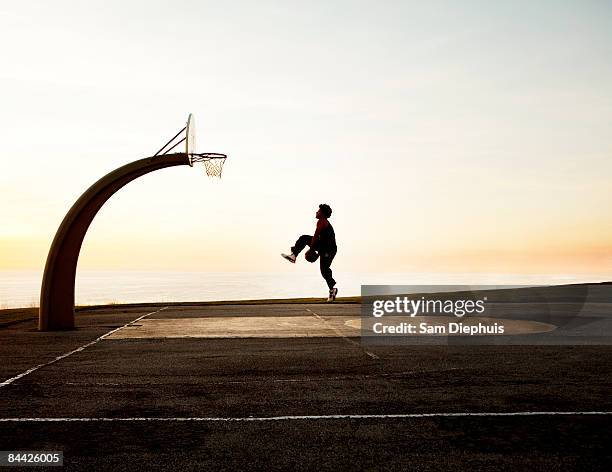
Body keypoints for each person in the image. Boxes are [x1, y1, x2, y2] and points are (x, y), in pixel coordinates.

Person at [282, 204, 338, 302]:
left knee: (324, 270)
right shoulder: (322, 222)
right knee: (304, 238)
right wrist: (316, 251)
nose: (316, 212)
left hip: (329, 249)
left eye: (318, 211)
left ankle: (332, 289)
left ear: (323, 214)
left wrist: (312, 250)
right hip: (324, 246)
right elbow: (317, 238)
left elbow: (316, 236)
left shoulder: (322, 222)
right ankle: (294, 255)